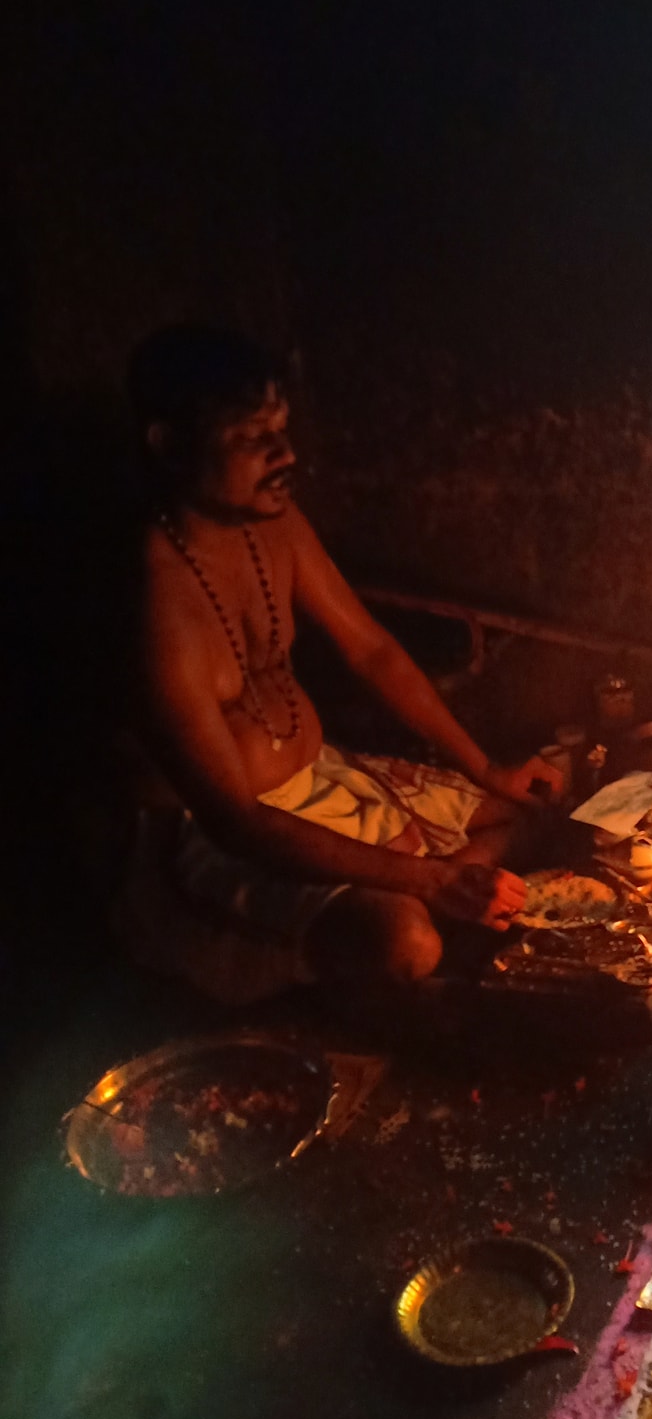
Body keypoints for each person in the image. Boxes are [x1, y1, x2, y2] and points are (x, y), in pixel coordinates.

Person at [119, 324, 566, 999]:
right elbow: (234, 820)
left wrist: (487, 768)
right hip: (224, 837)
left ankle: (433, 905)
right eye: (250, 438)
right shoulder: (155, 600)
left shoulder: (273, 520)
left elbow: (373, 650)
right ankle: (403, 937)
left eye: (282, 429)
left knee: (532, 812)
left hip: (328, 778)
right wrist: (432, 878)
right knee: (405, 940)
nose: (283, 454)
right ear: (170, 446)